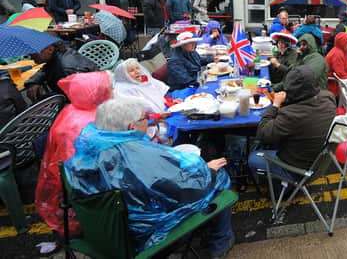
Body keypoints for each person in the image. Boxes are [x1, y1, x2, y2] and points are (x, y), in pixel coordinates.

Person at [64, 98, 233, 256]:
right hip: (143, 235)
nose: (148, 120)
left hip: (104, 234)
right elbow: (191, 189)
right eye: (144, 117)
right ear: (132, 127)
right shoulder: (136, 155)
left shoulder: (89, 144)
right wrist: (208, 170)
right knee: (219, 176)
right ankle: (221, 241)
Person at [35, 71, 113, 235]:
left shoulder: (74, 109)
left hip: (80, 180)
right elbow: (82, 170)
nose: (113, 91)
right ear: (96, 93)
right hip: (86, 190)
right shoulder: (83, 125)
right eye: (109, 88)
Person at [248, 65, 335, 179]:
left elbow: (263, 133)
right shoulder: (328, 97)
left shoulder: (292, 114)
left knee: (253, 157)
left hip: (297, 169)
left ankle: (284, 185)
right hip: (318, 162)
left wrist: (275, 105)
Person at [25, 42, 98, 101]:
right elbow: (45, 69)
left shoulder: (65, 70)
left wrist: (48, 98)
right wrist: (33, 82)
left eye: (33, 52)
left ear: (50, 49)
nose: (30, 55)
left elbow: (76, 98)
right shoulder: (59, 54)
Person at [326, 32, 347, 96]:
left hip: (335, 79)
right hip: (332, 83)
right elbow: (340, 74)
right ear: (342, 43)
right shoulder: (338, 54)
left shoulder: (342, 51)